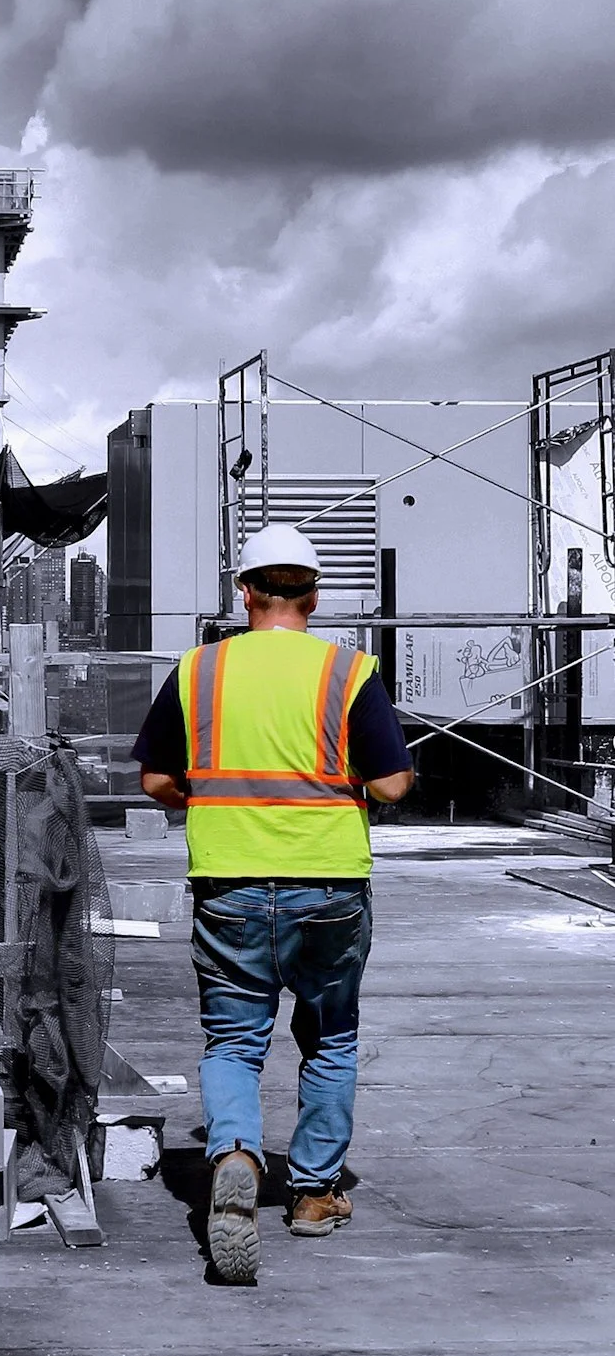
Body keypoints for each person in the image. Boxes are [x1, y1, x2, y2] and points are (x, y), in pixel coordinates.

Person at [132, 523, 414, 1285]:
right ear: (313, 597)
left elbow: (155, 780)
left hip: (227, 881)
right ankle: (314, 1196)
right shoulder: (347, 672)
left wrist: (217, 794)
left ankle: (232, 1155)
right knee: (328, 1038)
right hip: (327, 884)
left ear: (244, 591)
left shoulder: (198, 671)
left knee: (233, 1042)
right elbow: (389, 785)